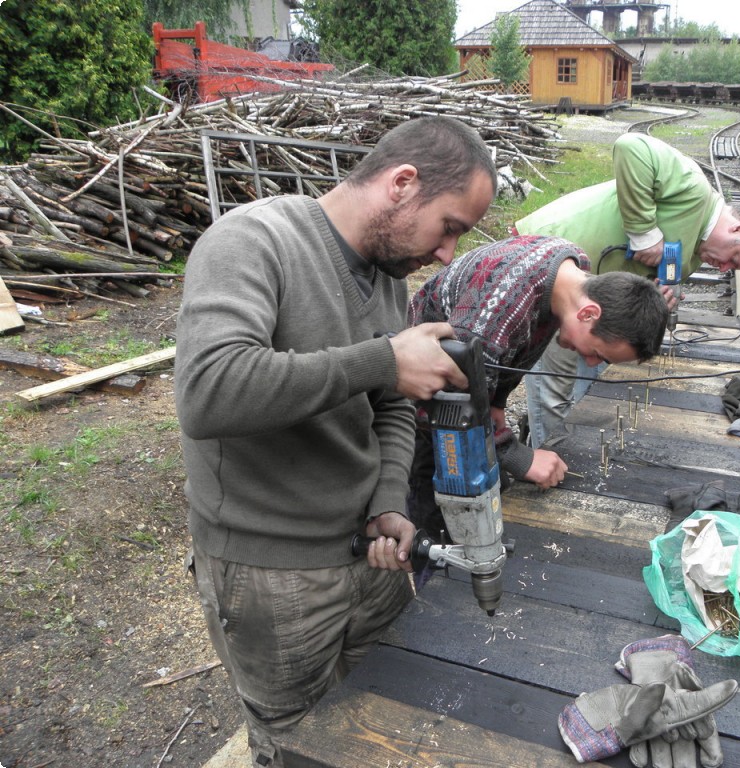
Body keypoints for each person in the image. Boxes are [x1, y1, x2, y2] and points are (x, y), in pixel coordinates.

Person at [173, 115, 497, 767]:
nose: (447, 254)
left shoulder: (387, 275)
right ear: (402, 183)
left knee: (375, 712)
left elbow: (391, 406)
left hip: (370, 556)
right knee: (293, 742)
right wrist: (382, 359)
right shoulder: (252, 240)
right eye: (449, 227)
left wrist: (389, 499)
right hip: (273, 575)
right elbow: (208, 392)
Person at [515, 131, 740, 448]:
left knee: (591, 368)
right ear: (739, 227)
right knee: (554, 382)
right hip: (550, 261)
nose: (724, 268)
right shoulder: (694, 189)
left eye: (732, 268)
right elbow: (631, 146)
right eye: (734, 258)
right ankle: (544, 454)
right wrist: (644, 234)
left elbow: (650, 278)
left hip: (593, 295)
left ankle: (562, 441)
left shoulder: (698, 248)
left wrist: (659, 296)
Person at [406, 233, 671, 537]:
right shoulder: (500, 305)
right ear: (588, 313)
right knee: (441, 511)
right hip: (422, 399)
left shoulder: (572, 269)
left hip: (467, 378)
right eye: (598, 353)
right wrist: (517, 456)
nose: (591, 362)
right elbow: (449, 403)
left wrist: (497, 401)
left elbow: (519, 345)